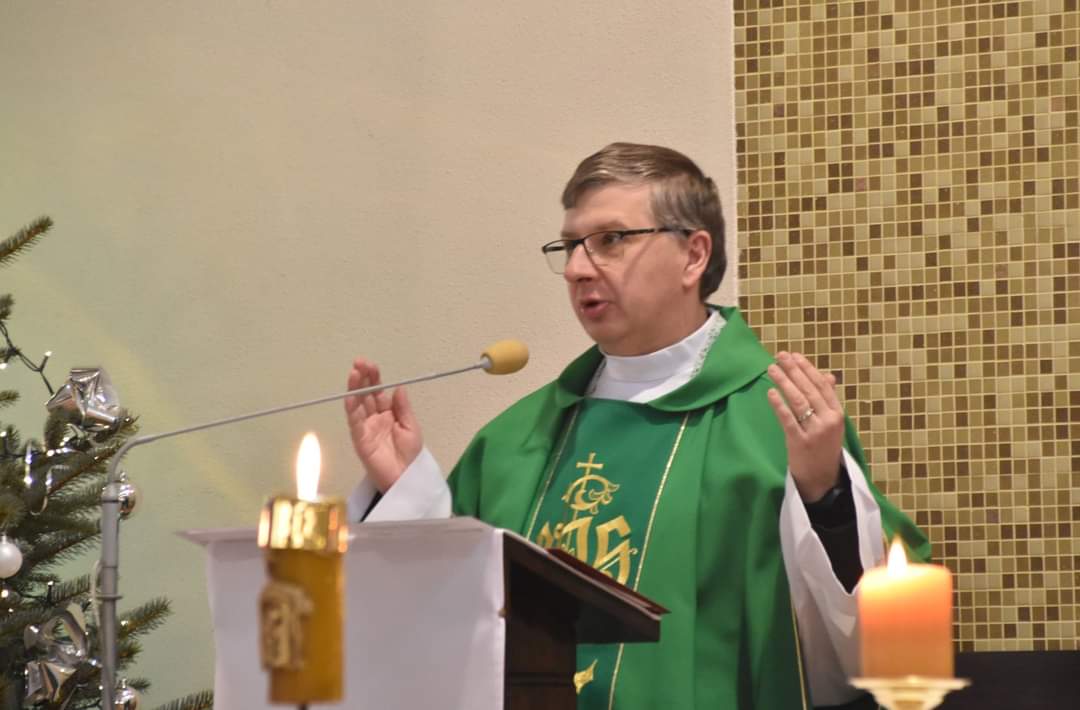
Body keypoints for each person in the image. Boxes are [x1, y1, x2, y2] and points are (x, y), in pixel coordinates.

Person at [344, 142, 928, 710]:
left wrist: (825, 497)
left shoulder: (777, 421)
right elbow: (443, 627)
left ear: (693, 256)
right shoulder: (516, 440)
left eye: (611, 240)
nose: (577, 269)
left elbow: (882, 639)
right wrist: (407, 495)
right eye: (570, 246)